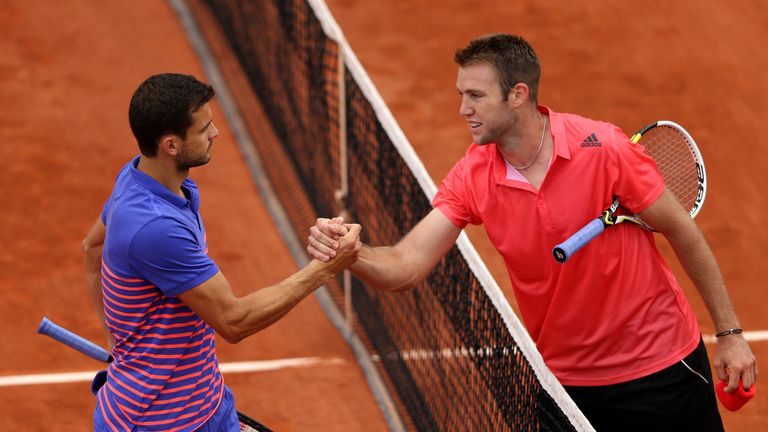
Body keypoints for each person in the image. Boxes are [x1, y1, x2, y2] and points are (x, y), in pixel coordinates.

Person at [307, 34, 757, 430]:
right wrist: (354, 255)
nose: (463, 109)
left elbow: (683, 231)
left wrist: (731, 334)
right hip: (567, 388)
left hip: (661, 370)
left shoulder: (603, 149)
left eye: (476, 96)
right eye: (462, 94)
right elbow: (407, 265)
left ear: (517, 94)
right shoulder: (473, 175)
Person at [82, 73, 361, 431]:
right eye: (204, 129)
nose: (215, 134)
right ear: (171, 145)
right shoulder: (155, 228)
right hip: (163, 421)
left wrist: (116, 338)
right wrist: (325, 268)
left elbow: (91, 248)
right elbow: (234, 320)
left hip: (207, 402)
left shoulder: (137, 179)